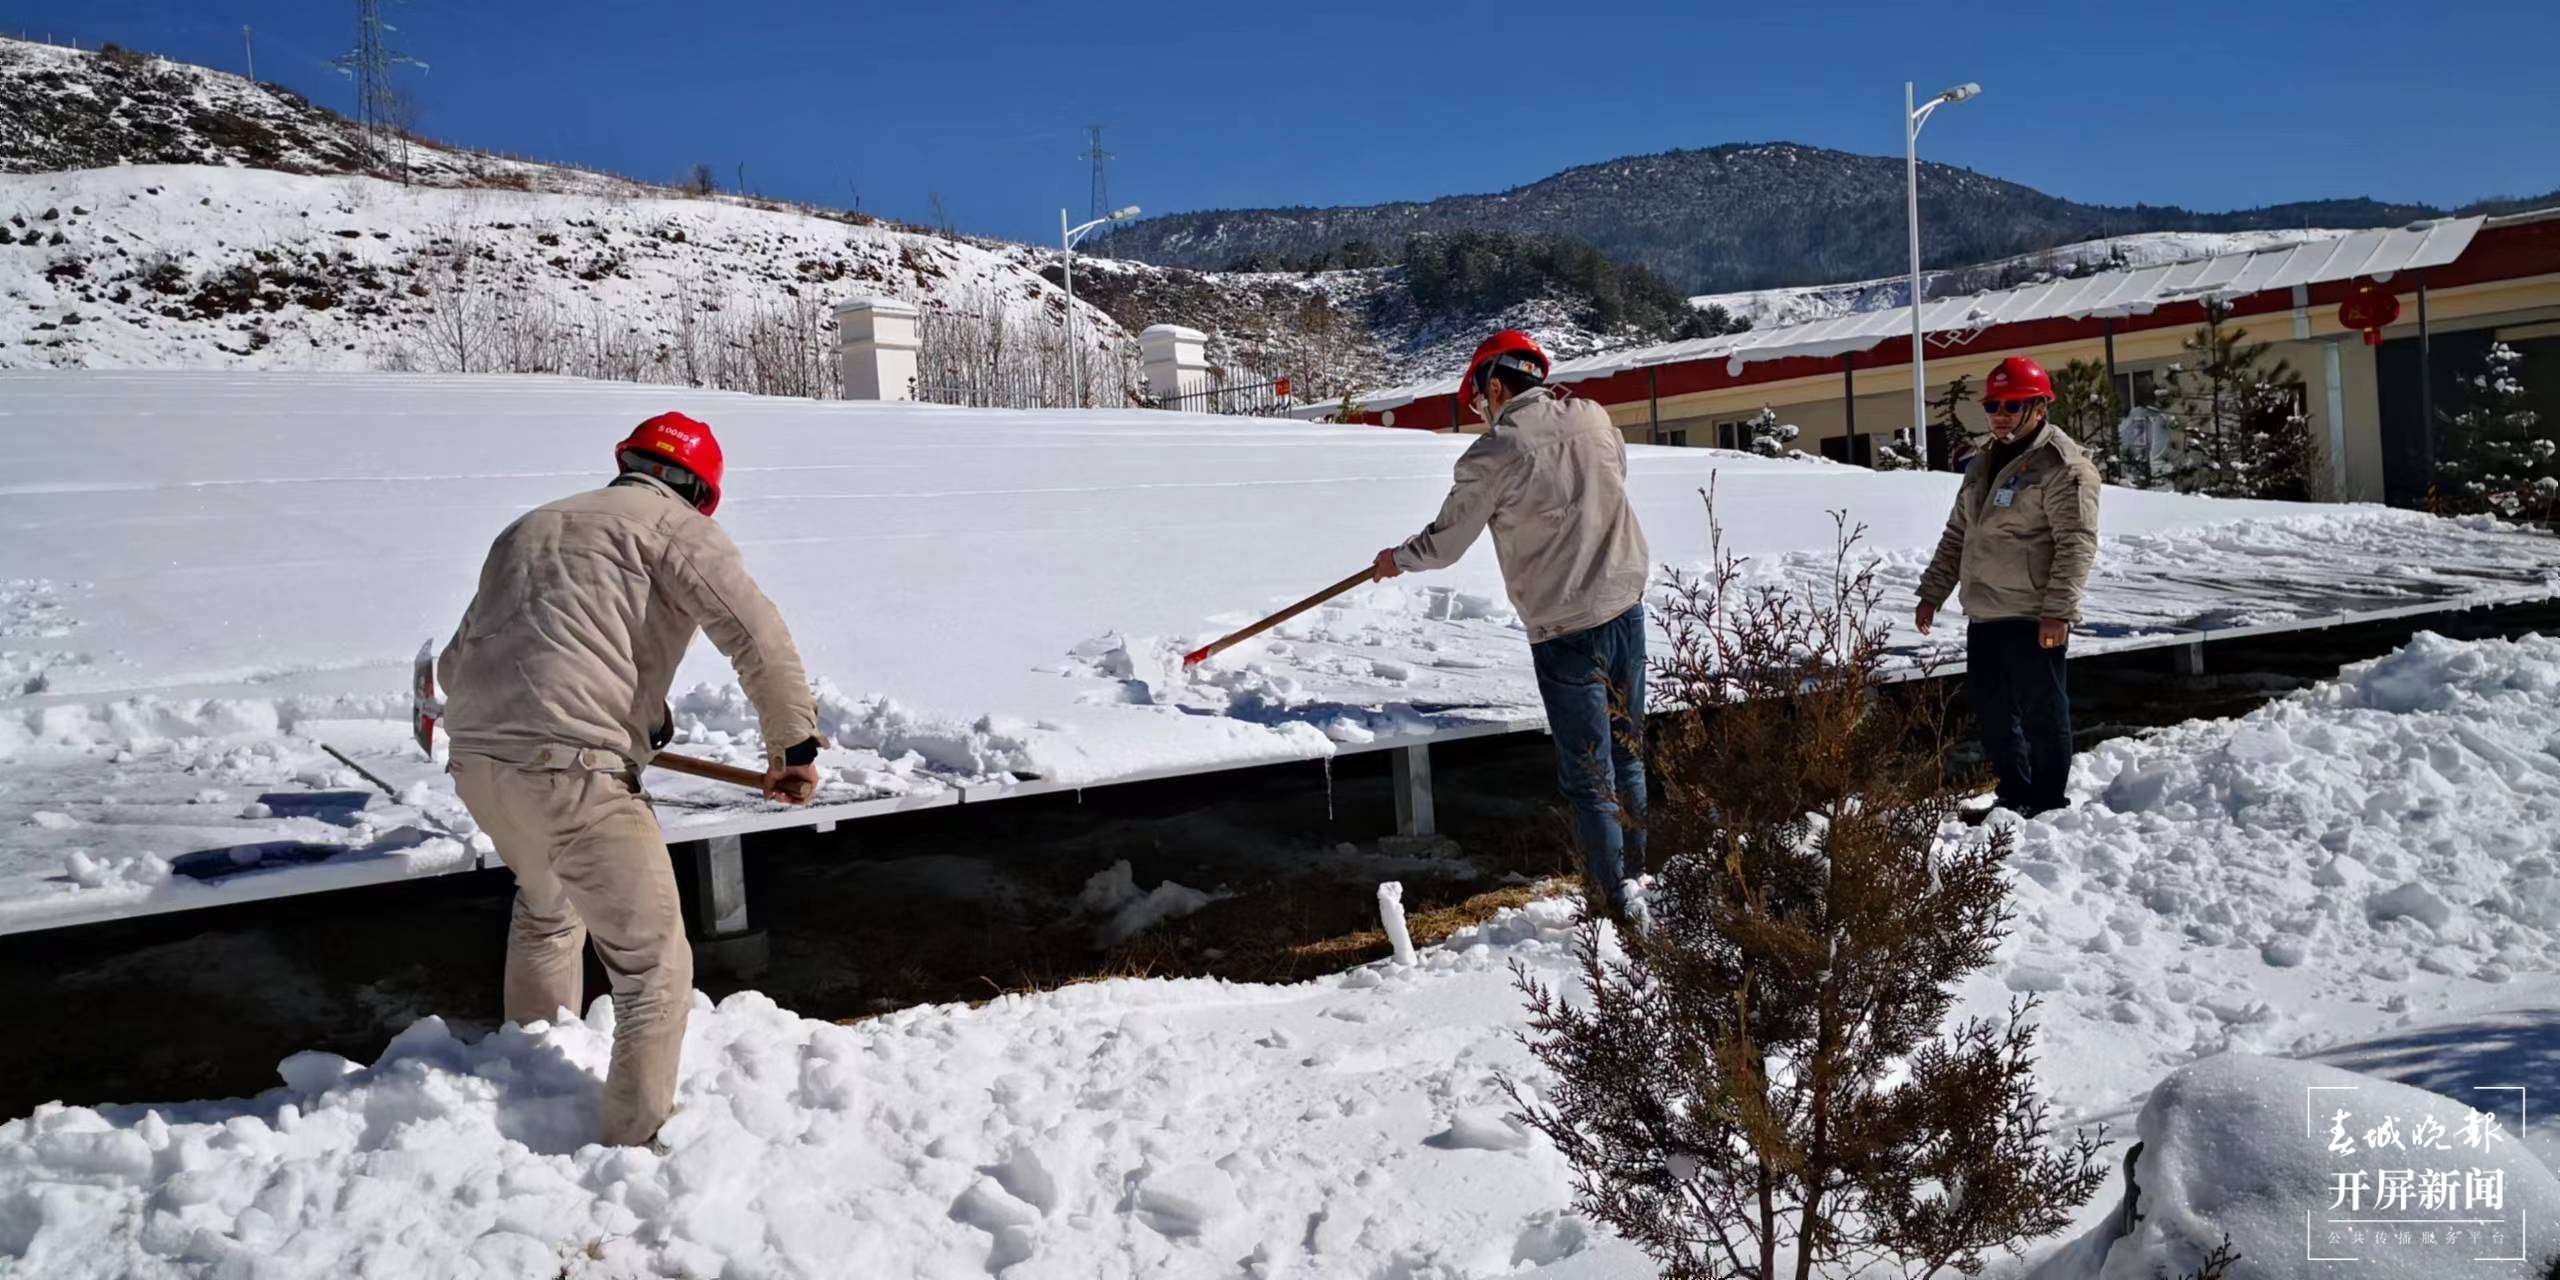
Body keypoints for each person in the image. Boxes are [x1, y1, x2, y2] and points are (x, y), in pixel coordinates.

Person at [438, 410, 821, 1148]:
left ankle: (533, 1080)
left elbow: (461, 662)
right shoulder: (677, 529)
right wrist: (793, 745)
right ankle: (633, 1147)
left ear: (628, 463)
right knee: (654, 972)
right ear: (701, 491)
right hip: (576, 773)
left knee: (549, 909)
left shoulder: (528, 527)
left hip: (480, 766)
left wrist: (635, 713)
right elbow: (756, 637)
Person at [1372, 331, 1653, 918]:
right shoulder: (1594, 416)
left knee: (1590, 776)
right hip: (1626, 608)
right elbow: (1614, 480)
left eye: (1479, 400)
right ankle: (1637, 882)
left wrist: (1397, 559)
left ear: (1496, 386)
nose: (1482, 412)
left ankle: (1612, 905)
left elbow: (1447, 544)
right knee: (1627, 756)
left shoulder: (1493, 453)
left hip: (1566, 630)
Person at [1914, 356, 2101, 819]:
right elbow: (1959, 533)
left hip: (2034, 613)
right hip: (1986, 611)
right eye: (1993, 405)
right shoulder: (1983, 461)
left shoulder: (2063, 466)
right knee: (1994, 712)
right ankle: (2014, 797)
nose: (2000, 415)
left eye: (2012, 405)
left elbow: (2076, 543)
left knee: (2042, 712)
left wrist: (2058, 612)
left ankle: (2048, 802)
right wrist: (1932, 592)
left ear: (2039, 407)